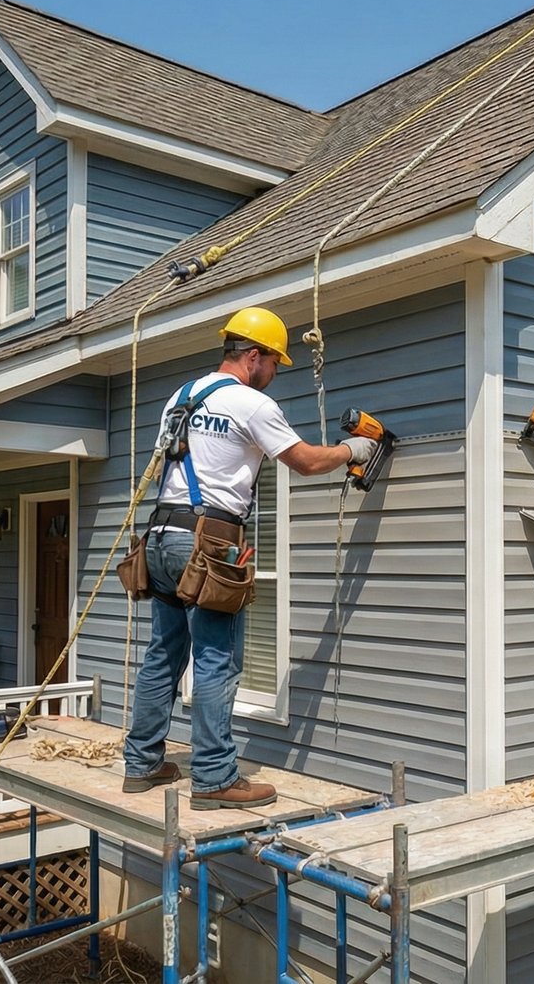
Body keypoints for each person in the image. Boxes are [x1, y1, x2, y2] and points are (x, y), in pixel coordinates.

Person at [121, 306, 378, 809]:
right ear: (253, 356)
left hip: (160, 538)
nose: (275, 375)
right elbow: (304, 462)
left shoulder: (182, 396)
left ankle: (142, 764)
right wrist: (353, 450)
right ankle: (215, 777)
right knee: (216, 657)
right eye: (275, 364)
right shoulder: (251, 405)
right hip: (208, 541)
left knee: (163, 653)